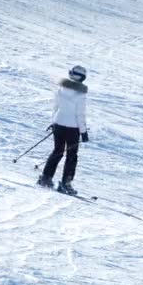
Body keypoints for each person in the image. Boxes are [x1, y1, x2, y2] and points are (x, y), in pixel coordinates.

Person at [37, 65, 89, 195]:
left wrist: (53, 122)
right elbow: (80, 114)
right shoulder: (80, 94)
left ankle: (46, 178)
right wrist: (83, 131)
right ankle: (66, 184)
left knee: (57, 151)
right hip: (73, 128)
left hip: (59, 124)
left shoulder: (61, 88)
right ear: (82, 78)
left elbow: (55, 107)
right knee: (71, 156)